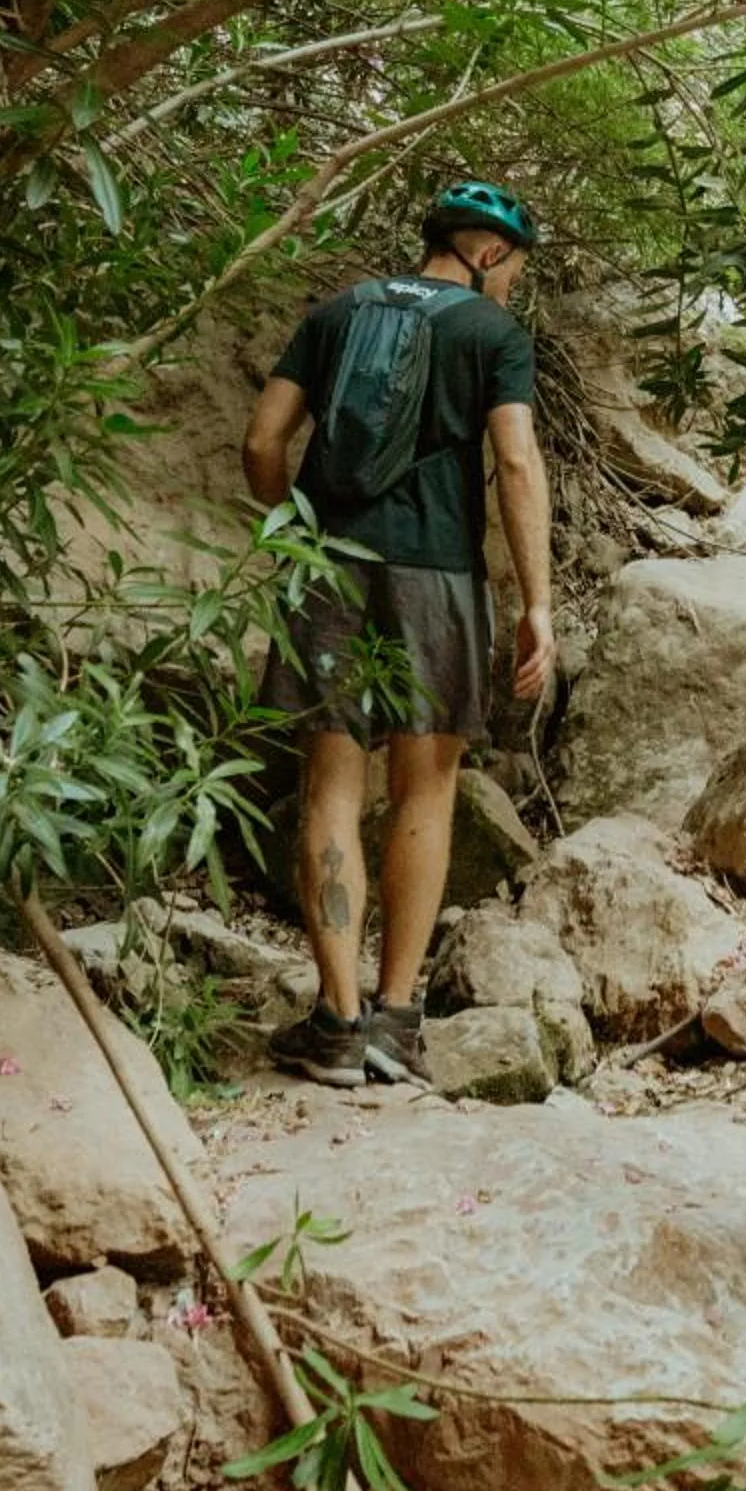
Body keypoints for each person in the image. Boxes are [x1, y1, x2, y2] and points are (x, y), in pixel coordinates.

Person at [242, 179, 555, 1087]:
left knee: (331, 787)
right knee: (426, 788)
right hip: (437, 579)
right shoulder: (492, 333)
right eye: (514, 269)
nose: (511, 285)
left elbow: (263, 442)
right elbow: (515, 461)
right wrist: (536, 603)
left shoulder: (337, 311)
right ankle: (397, 1020)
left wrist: (294, 529)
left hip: (328, 566)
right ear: (488, 252)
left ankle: (337, 1025)